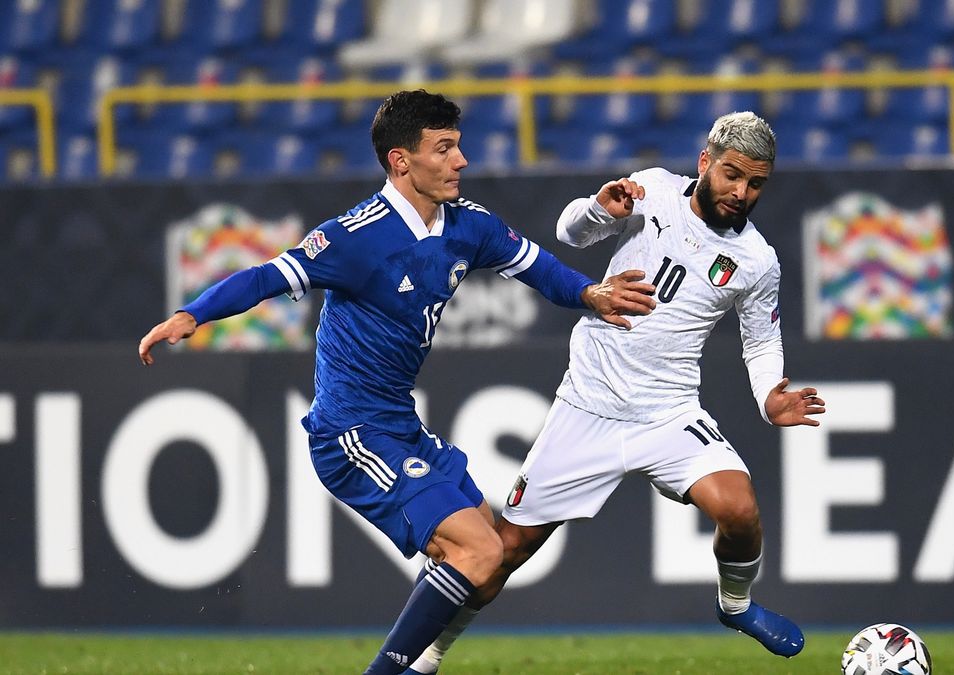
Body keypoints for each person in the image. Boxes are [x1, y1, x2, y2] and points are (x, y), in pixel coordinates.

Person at [137, 89, 656, 675]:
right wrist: (190, 315)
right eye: (444, 148)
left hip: (400, 427)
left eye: (459, 146)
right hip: (350, 433)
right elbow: (266, 276)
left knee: (488, 556)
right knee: (480, 551)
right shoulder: (356, 237)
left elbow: (539, 267)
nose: (461, 161)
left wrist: (591, 294)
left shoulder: (469, 227)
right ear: (401, 161)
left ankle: (415, 664)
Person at [408, 111, 826, 674]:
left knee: (741, 510)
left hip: (669, 412)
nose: (741, 192)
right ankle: (426, 657)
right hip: (589, 405)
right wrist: (597, 209)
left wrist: (770, 396)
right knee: (501, 553)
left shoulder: (758, 260)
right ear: (705, 161)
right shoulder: (652, 191)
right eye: (731, 175)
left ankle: (736, 605)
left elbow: (760, 342)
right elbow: (569, 233)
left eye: (755, 184)